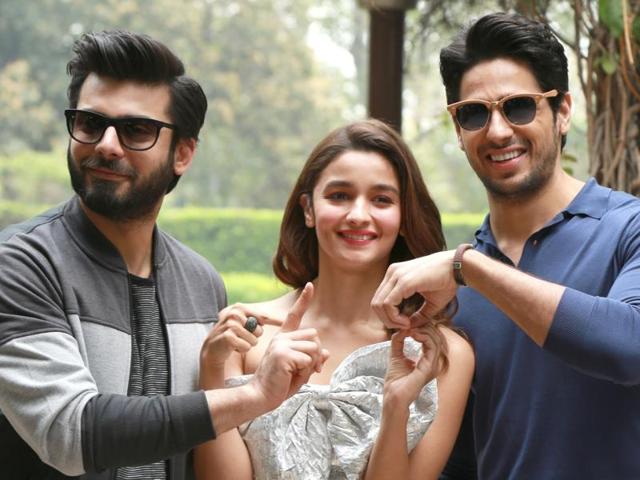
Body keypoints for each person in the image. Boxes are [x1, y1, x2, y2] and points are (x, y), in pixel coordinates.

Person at [0, 30, 325, 480]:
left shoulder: (201, 282)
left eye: (136, 129)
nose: (107, 144)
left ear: (184, 153)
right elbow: (70, 434)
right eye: (91, 123)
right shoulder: (21, 265)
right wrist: (253, 396)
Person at [371, 12, 640, 480]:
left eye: (518, 106)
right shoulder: (448, 290)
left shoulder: (627, 227)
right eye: (474, 113)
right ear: (458, 130)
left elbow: (629, 348)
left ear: (563, 112)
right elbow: (464, 459)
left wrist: (469, 269)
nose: (497, 131)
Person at [194, 119, 475, 480]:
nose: (358, 215)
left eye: (381, 199)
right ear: (308, 210)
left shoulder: (443, 353)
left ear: (404, 216)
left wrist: (395, 406)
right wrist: (212, 371)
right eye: (340, 195)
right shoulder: (245, 336)